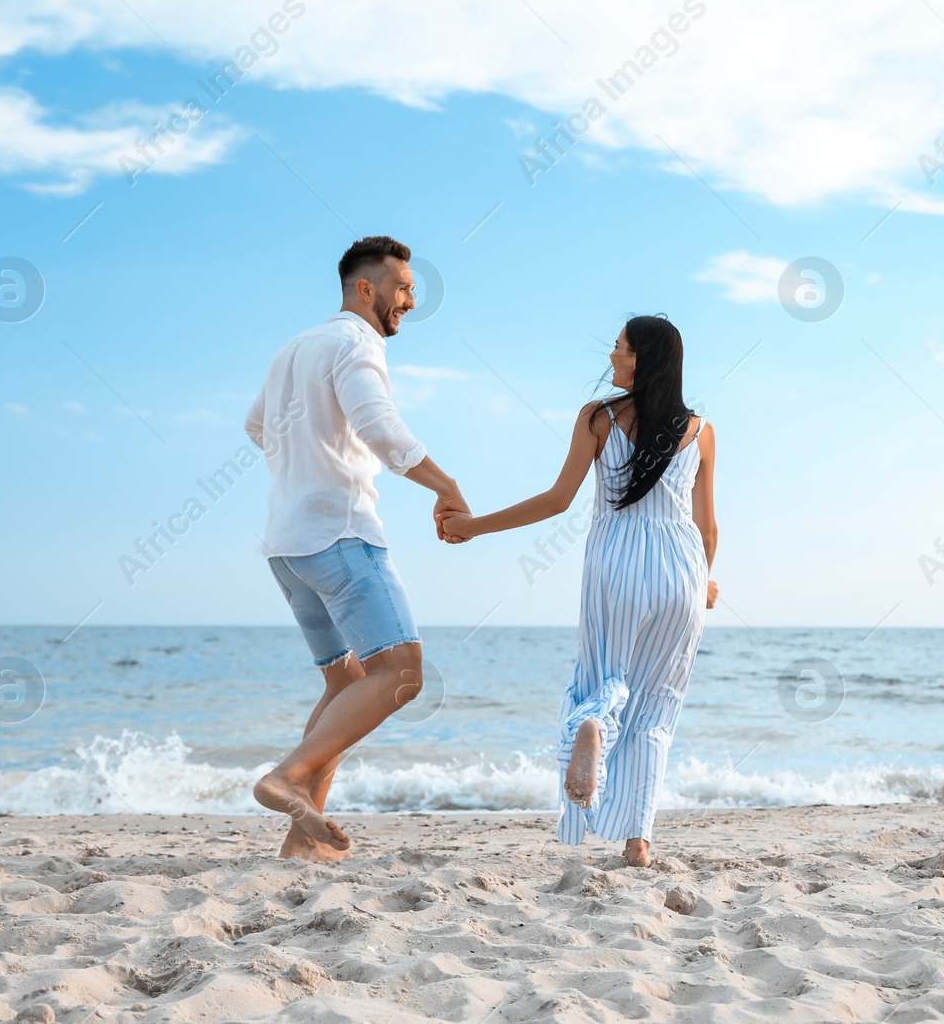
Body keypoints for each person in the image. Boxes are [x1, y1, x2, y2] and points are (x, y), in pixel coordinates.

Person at [440, 315, 718, 867]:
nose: (611, 359)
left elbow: (556, 500)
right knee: (657, 705)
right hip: (682, 573)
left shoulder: (598, 418)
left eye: (617, 349)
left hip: (617, 565)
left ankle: (591, 723)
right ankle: (637, 842)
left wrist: (472, 526)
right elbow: (708, 527)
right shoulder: (703, 431)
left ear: (640, 358)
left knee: (603, 680)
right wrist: (705, 579)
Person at [244, 235, 468, 861]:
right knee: (402, 675)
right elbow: (378, 427)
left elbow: (256, 425)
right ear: (365, 289)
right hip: (340, 537)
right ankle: (286, 779)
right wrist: (446, 485)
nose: (410, 302)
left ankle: (302, 835)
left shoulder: (296, 346)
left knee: (345, 684)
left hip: (287, 547)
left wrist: (302, 471)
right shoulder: (355, 343)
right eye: (403, 289)